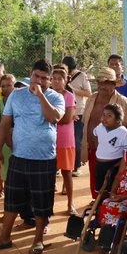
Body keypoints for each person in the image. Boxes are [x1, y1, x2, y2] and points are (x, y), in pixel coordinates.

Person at [0, 61, 66, 254]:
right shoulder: (16, 95)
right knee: (12, 199)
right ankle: (5, 237)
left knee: (42, 201)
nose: (40, 81)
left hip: (44, 158)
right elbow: (5, 124)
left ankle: (38, 240)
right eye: (36, 76)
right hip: (19, 156)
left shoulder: (56, 97)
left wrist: (40, 95)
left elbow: (53, 118)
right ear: (30, 74)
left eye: (45, 78)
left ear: (49, 79)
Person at [82, 68, 127, 198]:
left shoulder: (123, 101)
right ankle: (97, 202)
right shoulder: (92, 98)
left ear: (113, 84)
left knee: (112, 181)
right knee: (96, 179)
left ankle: (108, 207)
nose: (101, 86)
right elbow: (86, 122)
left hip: (114, 154)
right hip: (93, 149)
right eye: (99, 82)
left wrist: (126, 156)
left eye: (105, 83)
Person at [51, 66, 77, 215]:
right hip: (49, 140)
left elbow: (67, 118)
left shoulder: (69, 96)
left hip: (65, 139)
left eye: (60, 78)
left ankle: (70, 204)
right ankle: (49, 205)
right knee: (49, 173)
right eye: (54, 78)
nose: (56, 81)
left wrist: (51, 117)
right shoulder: (47, 95)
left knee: (67, 172)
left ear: (66, 80)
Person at [91, 104, 127, 201]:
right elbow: (95, 134)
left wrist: (115, 167)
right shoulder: (100, 127)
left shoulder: (125, 134)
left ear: (118, 119)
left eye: (109, 116)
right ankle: (99, 211)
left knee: (110, 191)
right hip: (99, 165)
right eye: (103, 115)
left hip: (114, 166)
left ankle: (108, 212)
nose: (104, 118)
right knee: (99, 190)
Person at [62, 56, 92, 177]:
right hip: (63, 112)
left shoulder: (82, 76)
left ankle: (76, 166)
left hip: (78, 112)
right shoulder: (60, 75)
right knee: (63, 141)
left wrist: (72, 90)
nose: (69, 73)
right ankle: (62, 165)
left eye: (71, 71)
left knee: (76, 140)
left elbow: (88, 93)